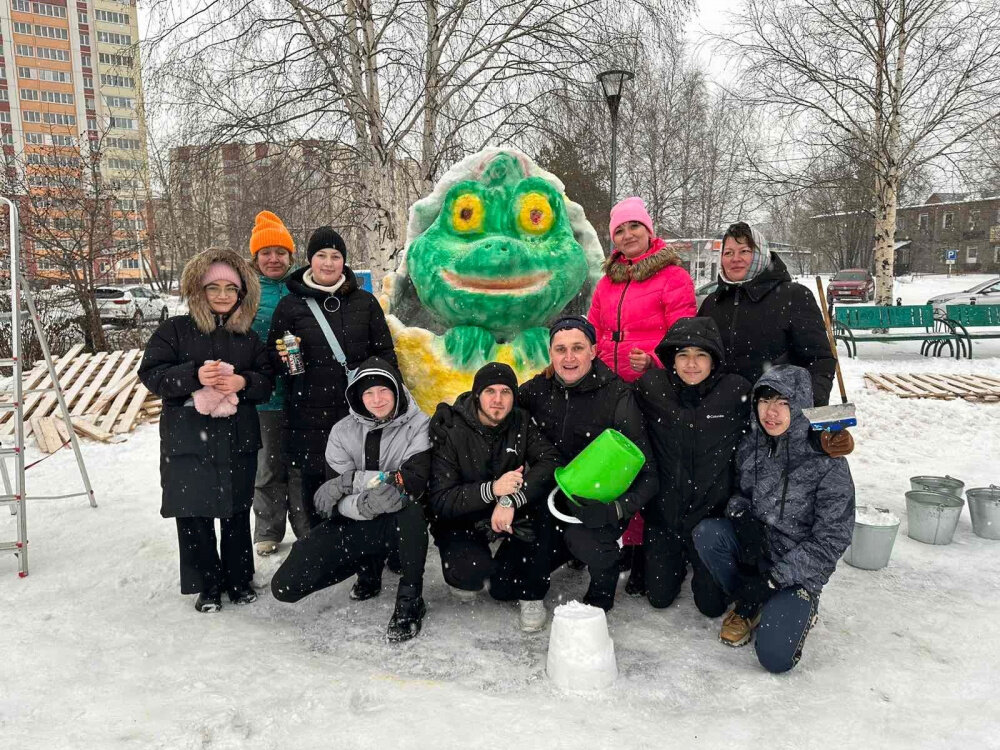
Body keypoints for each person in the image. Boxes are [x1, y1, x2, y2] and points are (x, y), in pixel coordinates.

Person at [692, 365, 855, 673]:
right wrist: (742, 517)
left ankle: (793, 605)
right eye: (765, 401)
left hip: (797, 572)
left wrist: (773, 580)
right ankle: (748, 602)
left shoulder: (827, 463)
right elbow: (739, 492)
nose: (772, 412)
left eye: (783, 402)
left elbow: (831, 540)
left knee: (775, 658)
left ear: (800, 406)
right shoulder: (751, 446)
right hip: (757, 554)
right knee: (708, 533)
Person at [139, 248, 273, 612]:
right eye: (214, 287)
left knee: (235, 511)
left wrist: (244, 382)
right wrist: (194, 375)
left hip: (237, 437)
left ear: (242, 294)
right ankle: (207, 585)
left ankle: (239, 579)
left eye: (231, 289)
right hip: (188, 439)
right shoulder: (175, 331)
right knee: (193, 512)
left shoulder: (248, 338)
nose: (223, 295)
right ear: (199, 290)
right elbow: (151, 374)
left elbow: (267, 382)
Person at [270, 358, 432, 642]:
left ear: (397, 390)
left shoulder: (419, 425)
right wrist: (362, 505)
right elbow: (333, 501)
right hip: (356, 518)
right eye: (369, 392)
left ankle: (410, 597)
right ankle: (367, 566)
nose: (377, 399)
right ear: (358, 396)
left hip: (402, 521)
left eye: (384, 390)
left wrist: (350, 481)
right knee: (285, 586)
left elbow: (411, 480)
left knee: (412, 509)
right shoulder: (342, 431)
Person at [587, 197, 697, 583]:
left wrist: (653, 360)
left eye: (634, 226)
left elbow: (684, 335)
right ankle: (628, 544)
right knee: (623, 467)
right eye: (619, 230)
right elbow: (594, 329)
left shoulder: (672, 277)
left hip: (656, 388)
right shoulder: (607, 282)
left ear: (649, 230)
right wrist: (591, 357)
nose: (627, 234)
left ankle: (651, 548)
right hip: (614, 388)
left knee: (653, 469)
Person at [518, 315, 658, 613]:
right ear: (550, 353)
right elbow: (497, 405)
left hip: (598, 503)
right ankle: (561, 552)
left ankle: (602, 583)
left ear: (593, 351)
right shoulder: (539, 388)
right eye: (560, 349)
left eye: (578, 348)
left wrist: (616, 509)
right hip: (551, 497)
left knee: (586, 540)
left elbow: (649, 475)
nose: (569, 358)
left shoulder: (617, 395)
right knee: (506, 583)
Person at [268, 226, 397, 532]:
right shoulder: (290, 305)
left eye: (336, 256)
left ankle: (362, 544)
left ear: (344, 261)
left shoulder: (365, 302)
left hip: (360, 413)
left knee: (361, 480)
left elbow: (385, 354)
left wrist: (386, 398)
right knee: (315, 485)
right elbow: (272, 360)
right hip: (308, 414)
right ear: (310, 260)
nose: (328, 263)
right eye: (321, 255)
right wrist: (284, 358)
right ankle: (319, 544)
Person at [427, 362, 560, 632]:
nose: (498, 400)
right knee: (469, 574)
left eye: (505, 392)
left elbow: (551, 461)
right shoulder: (452, 429)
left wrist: (511, 499)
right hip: (465, 516)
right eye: (490, 391)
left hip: (510, 514)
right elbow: (440, 499)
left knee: (504, 586)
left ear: (514, 396)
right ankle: (475, 562)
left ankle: (531, 593)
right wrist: (491, 490)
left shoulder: (522, 422)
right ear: (477, 394)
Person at [633, 317, 750, 614]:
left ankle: (705, 562)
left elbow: (774, 421)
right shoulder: (652, 387)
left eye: (701, 355)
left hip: (708, 518)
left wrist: (823, 438)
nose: (691, 364)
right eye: (683, 355)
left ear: (714, 359)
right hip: (664, 515)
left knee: (712, 606)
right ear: (671, 359)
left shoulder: (735, 392)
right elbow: (613, 406)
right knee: (659, 598)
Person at [697, 221, 836, 408]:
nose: (735, 259)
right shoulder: (712, 303)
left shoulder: (793, 296)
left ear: (760, 254)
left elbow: (819, 361)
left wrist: (805, 406)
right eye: (728, 253)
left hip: (775, 415)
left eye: (744, 251)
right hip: (721, 413)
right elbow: (698, 358)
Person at [247, 211, 305, 556]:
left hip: (302, 393)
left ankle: (305, 526)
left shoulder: (302, 286)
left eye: (280, 252)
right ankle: (268, 529)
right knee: (268, 465)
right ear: (255, 258)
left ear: (290, 256)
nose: (273, 259)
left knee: (300, 464)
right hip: (266, 396)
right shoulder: (247, 292)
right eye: (266, 253)